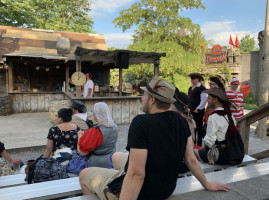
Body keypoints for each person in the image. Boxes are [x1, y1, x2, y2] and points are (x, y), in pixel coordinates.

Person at [79, 76, 230, 200]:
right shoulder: (181, 121)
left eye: (144, 95)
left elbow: (137, 175)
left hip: (144, 193)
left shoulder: (141, 123)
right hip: (166, 189)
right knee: (116, 156)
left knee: (84, 175)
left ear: (152, 100)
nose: (141, 98)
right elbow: (190, 159)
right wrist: (206, 184)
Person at [67, 102, 118, 174]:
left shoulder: (95, 131)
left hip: (95, 162)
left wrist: (80, 136)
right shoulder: (115, 127)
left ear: (96, 116)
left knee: (64, 158)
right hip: (111, 159)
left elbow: (82, 153)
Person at [194, 88, 237, 165]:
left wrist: (202, 150)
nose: (207, 100)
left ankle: (208, 173)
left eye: (209, 98)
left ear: (215, 100)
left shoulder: (214, 117)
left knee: (195, 152)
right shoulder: (229, 115)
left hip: (220, 155)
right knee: (201, 152)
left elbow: (210, 141)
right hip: (230, 152)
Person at [188, 73, 207, 147]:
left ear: (198, 79)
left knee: (198, 128)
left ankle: (199, 145)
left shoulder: (201, 88)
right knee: (192, 128)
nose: (192, 80)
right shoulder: (190, 88)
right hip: (191, 111)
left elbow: (204, 100)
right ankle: (193, 144)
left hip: (198, 112)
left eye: (193, 78)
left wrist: (198, 109)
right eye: (191, 78)